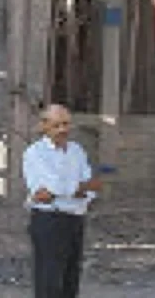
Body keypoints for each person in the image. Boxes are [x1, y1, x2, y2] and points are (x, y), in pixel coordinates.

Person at [23, 104, 103, 298]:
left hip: (75, 218)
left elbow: (92, 184)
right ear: (44, 126)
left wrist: (73, 189)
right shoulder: (35, 153)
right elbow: (44, 192)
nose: (63, 130)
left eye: (66, 124)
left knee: (71, 276)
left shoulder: (76, 150)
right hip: (49, 218)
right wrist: (76, 188)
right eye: (57, 125)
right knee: (49, 278)